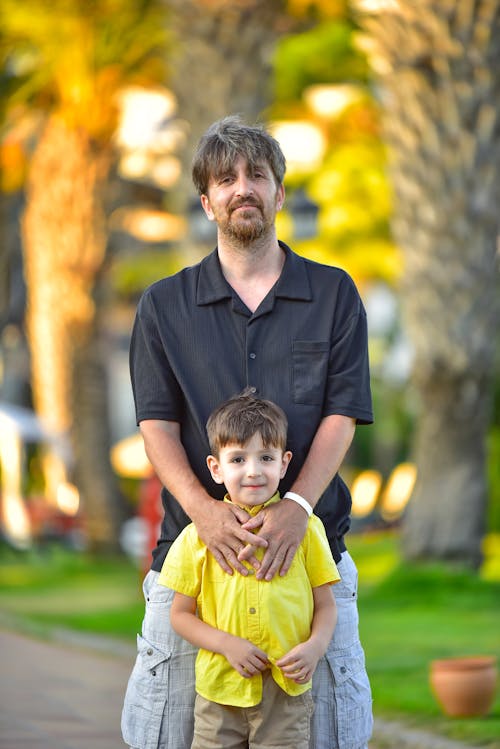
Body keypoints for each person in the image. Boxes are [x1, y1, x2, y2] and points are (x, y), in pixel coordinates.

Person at [122, 115, 374, 749]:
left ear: (279, 193)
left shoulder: (334, 295)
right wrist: (205, 514)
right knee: (163, 738)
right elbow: (156, 426)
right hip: (193, 562)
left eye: (257, 175)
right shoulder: (162, 306)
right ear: (207, 201)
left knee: (333, 739)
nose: (243, 188)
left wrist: (296, 506)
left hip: (312, 566)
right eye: (226, 178)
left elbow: (342, 415)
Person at [159, 391, 340, 749]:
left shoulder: (305, 530)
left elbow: (327, 605)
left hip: (284, 691)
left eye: (266, 457)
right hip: (220, 688)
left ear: (284, 464)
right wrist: (226, 645)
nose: (254, 470)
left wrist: (315, 648)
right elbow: (180, 615)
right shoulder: (197, 538)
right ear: (216, 467)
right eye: (238, 458)